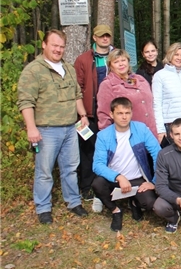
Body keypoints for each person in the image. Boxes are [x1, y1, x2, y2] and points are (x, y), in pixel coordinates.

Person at [17, 29, 89, 224]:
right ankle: (43, 207)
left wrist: (82, 115)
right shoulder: (33, 70)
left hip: (70, 128)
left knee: (70, 168)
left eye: (61, 46)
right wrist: (31, 128)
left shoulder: (69, 68)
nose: (58, 50)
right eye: (54, 45)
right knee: (44, 171)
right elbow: (25, 102)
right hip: (46, 130)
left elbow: (77, 95)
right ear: (44, 45)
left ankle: (74, 202)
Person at [92, 97, 161, 232]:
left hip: (136, 178)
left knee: (150, 203)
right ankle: (115, 211)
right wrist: (118, 176)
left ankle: (134, 202)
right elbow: (97, 165)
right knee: (97, 184)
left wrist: (154, 182)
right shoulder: (103, 136)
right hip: (115, 179)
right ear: (111, 115)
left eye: (127, 113)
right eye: (120, 113)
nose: (124, 117)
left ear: (131, 113)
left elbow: (158, 154)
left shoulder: (141, 129)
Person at [74, 24, 114, 202]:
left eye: (107, 35)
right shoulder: (84, 59)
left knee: (111, 150)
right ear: (94, 38)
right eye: (101, 36)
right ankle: (86, 187)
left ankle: (109, 185)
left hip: (112, 113)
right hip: (90, 114)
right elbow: (77, 87)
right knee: (88, 151)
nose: (105, 38)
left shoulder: (116, 57)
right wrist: (82, 113)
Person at [96, 49, 158, 139]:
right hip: (128, 137)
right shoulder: (107, 85)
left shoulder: (140, 79)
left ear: (128, 62)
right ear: (110, 65)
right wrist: (109, 139)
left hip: (151, 134)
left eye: (123, 60)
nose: (121, 64)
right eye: (116, 62)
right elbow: (104, 115)